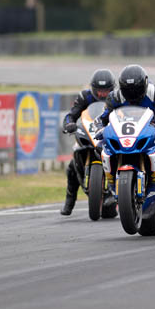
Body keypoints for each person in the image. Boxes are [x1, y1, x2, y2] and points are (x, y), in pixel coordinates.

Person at [97, 65, 155, 226]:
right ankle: (111, 187)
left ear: (144, 85)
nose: (132, 96)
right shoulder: (115, 97)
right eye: (128, 91)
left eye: (136, 91)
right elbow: (102, 118)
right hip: (125, 135)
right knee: (102, 148)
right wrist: (99, 129)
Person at [60, 69, 116, 216]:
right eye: (99, 91)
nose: (102, 94)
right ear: (93, 88)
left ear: (112, 89)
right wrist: (68, 124)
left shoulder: (117, 98)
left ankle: (114, 192)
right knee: (71, 166)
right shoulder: (85, 96)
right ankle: (69, 200)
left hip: (109, 138)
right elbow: (71, 115)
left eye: (106, 91)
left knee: (108, 213)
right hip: (87, 134)